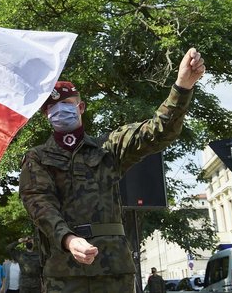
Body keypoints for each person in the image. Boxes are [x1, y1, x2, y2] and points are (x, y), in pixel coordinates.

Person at [19, 48, 206, 293]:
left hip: (114, 269)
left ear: (81, 107)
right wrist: (68, 238)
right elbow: (40, 203)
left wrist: (182, 87)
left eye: (67, 103)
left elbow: (158, 131)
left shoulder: (109, 146)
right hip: (64, 273)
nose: (60, 110)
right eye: (52, 107)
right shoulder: (38, 158)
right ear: (46, 115)